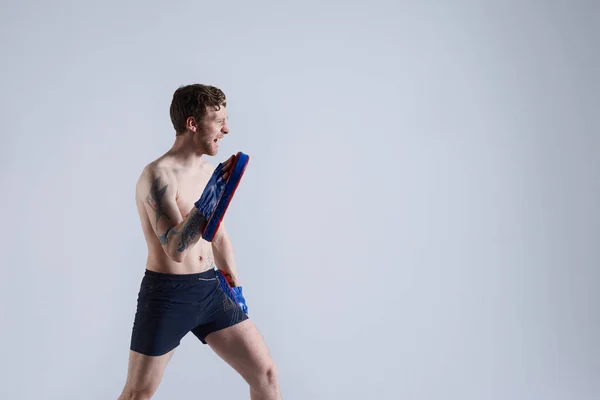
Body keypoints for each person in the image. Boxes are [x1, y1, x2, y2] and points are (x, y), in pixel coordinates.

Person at [118, 84, 281, 400]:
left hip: (211, 290)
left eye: (226, 119)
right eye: (217, 120)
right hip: (168, 297)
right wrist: (208, 201)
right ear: (192, 123)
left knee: (266, 375)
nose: (226, 129)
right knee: (139, 392)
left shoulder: (210, 172)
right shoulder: (157, 176)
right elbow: (176, 249)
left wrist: (234, 286)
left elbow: (217, 233)